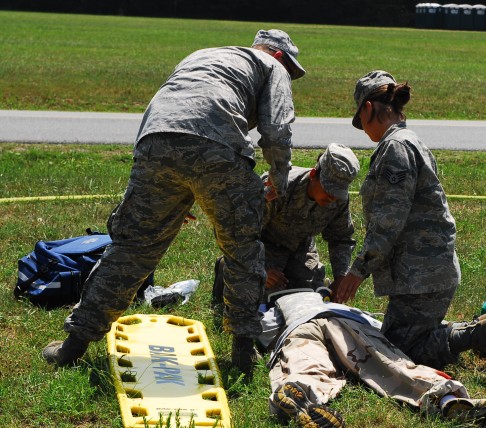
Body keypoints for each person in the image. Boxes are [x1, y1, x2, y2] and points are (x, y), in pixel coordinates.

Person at [42, 29, 306, 376]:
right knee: (241, 251)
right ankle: (243, 354)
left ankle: (72, 346)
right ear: (278, 55)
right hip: (219, 149)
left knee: (131, 249)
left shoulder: (202, 54)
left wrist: (174, 192)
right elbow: (277, 128)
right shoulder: (272, 67)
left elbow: (172, 107)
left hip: (155, 142)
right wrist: (279, 177)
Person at [332, 70, 486, 384]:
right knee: (397, 340)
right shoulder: (406, 141)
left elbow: (388, 222)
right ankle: (482, 330)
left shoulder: (396, 149)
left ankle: (481, 334)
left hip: (422, 275)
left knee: (396, 353)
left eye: (359, 118)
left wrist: (357, 272)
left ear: (368, 109)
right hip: (425, 272)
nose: (362, 128)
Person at [262, 290, 486, 427]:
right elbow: (380, 329)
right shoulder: (346, 307)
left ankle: (301, 395)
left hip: (298, 330)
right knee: (392, 366)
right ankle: (448, 399)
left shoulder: (274, 307)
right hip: (347, 324)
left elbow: (263, 334)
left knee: (305, 363)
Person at [212, 143, 359, 303]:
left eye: (338, 192)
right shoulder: (280, 186)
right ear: (313, 174)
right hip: (262, 243)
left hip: (300, 247)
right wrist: (259, 267)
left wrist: (340, 277)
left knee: (308, 298)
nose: (332, 198)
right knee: (260, 293)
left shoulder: (338, 200)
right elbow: (239, 229)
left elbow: (341, 238)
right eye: (328, 189)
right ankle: (226, 266)